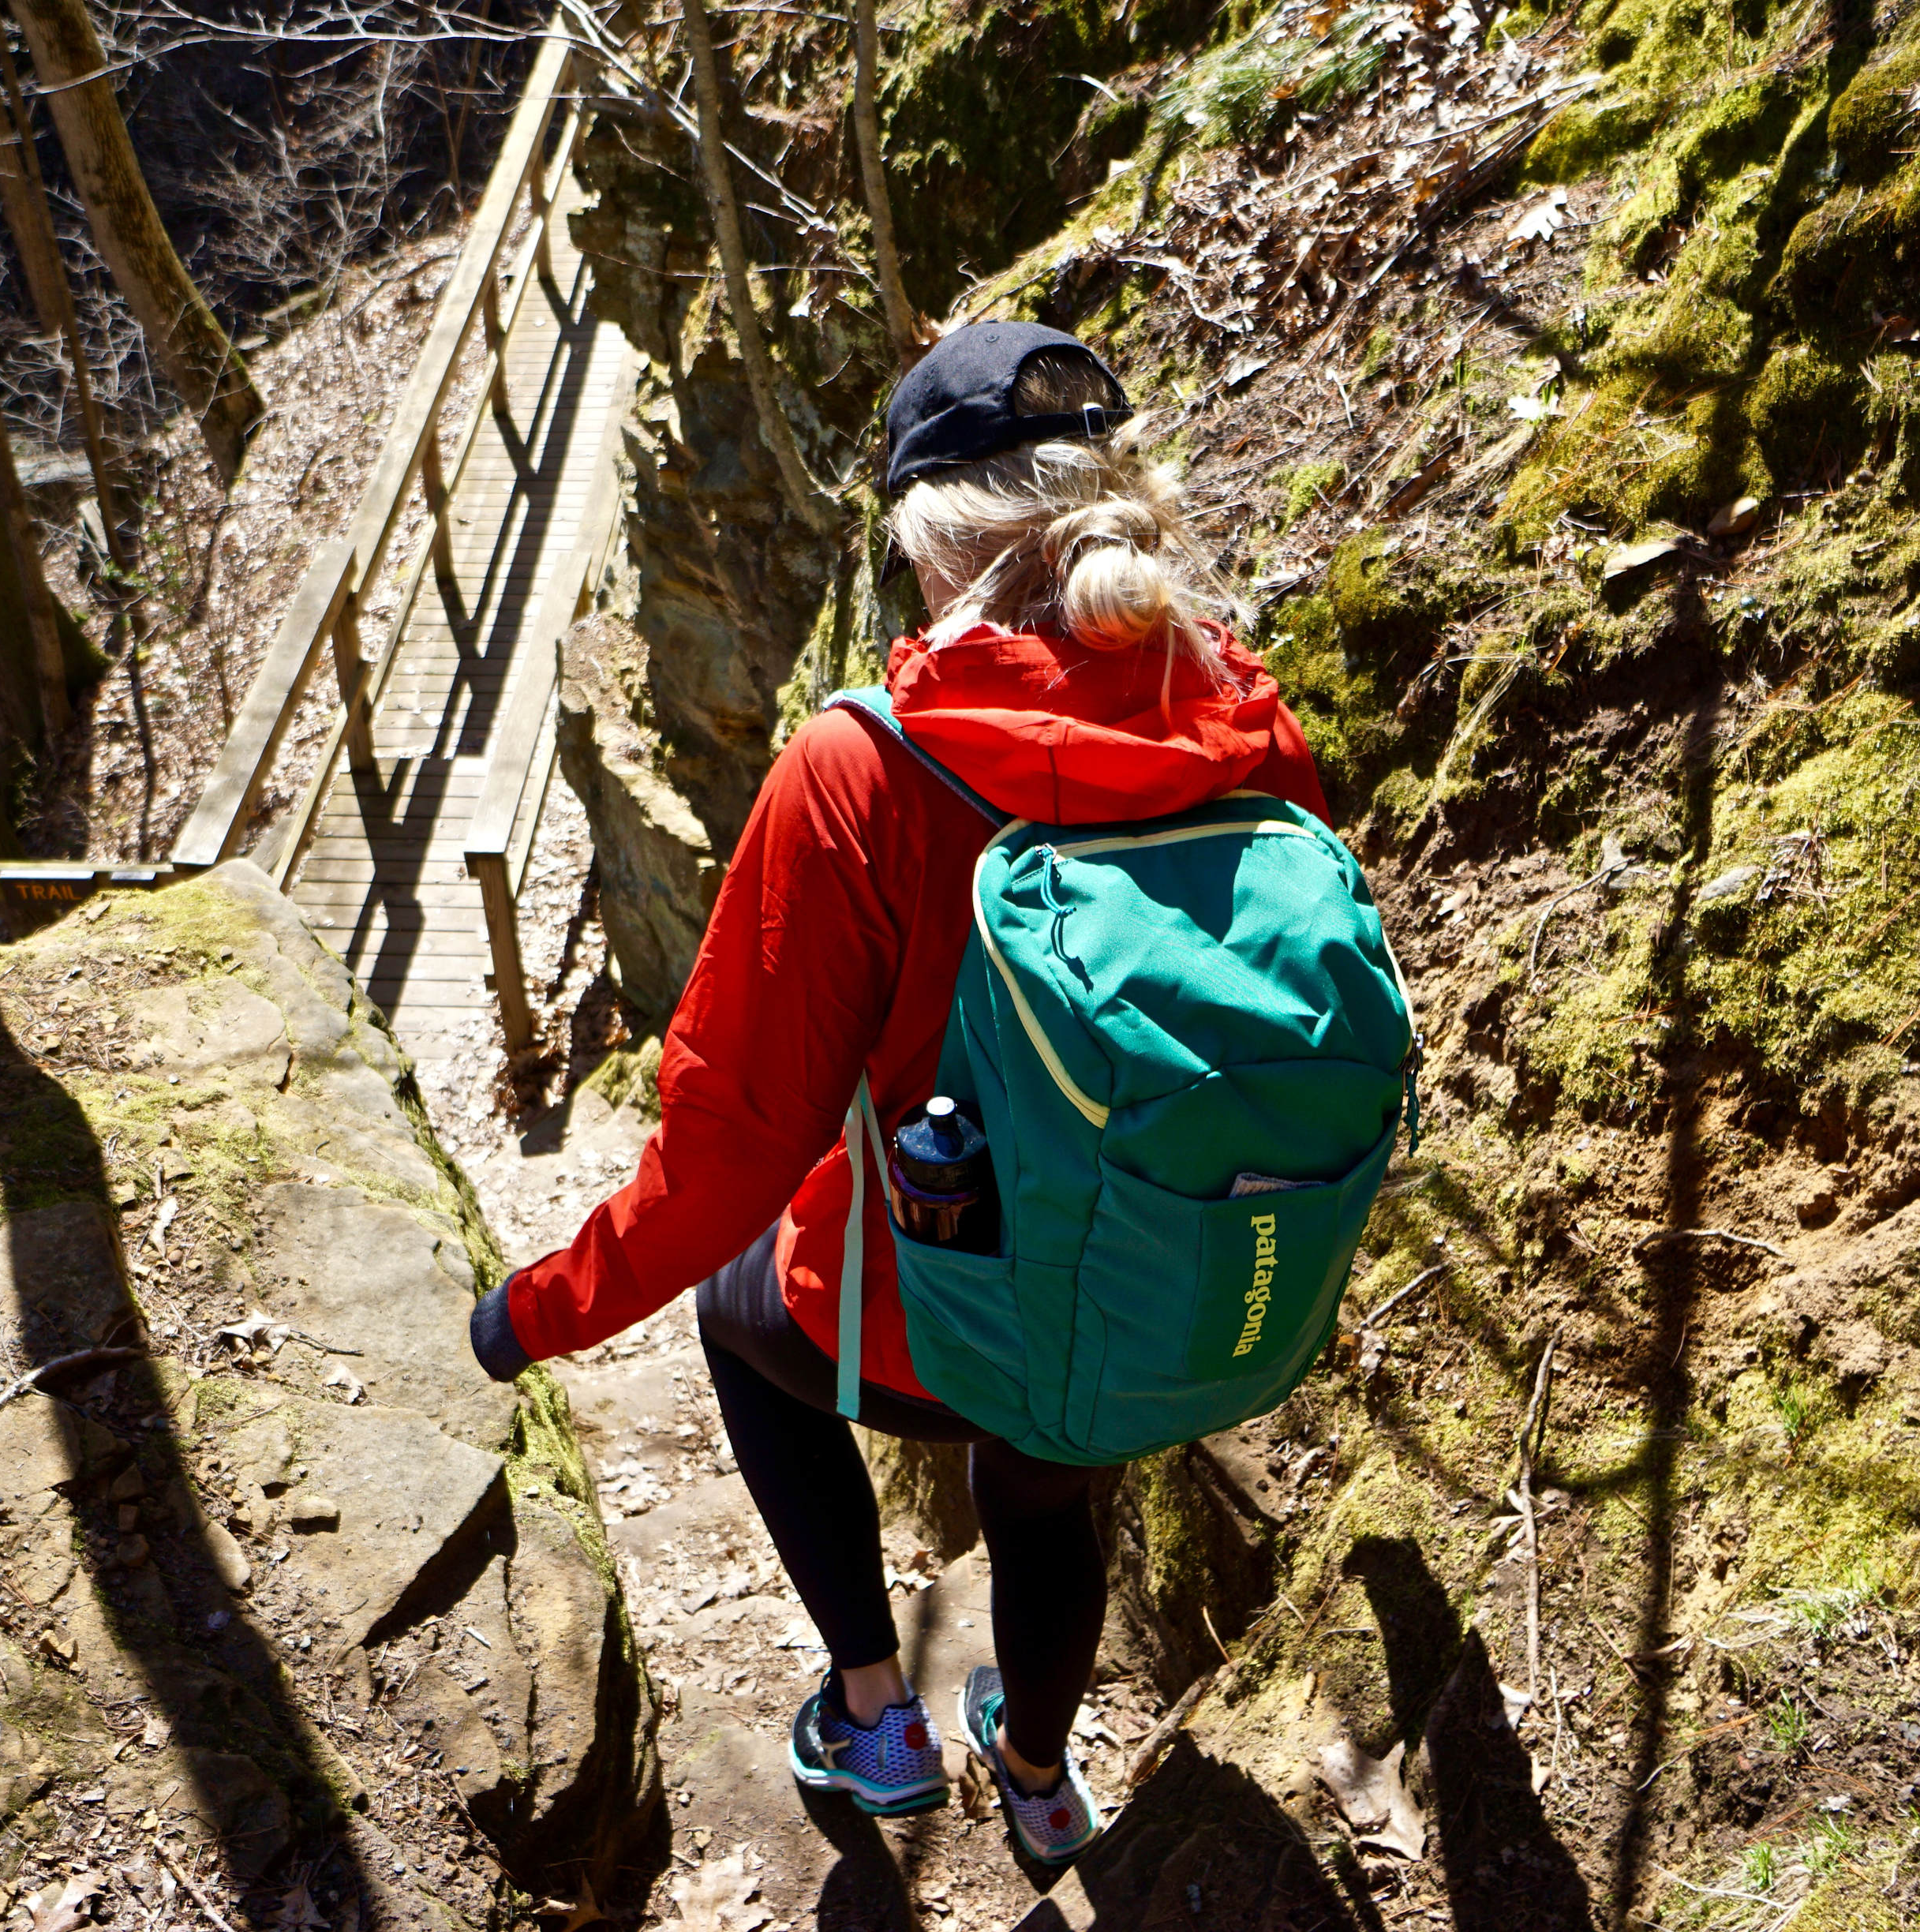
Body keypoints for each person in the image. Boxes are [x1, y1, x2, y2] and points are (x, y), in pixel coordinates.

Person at [466, 321, 1338, 1867]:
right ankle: (1041, 1761)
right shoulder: (1246, 722)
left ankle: (875, 1712)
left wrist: (538, 1309)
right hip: (1154, 1276)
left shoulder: (862, 770)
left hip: (919, 1308)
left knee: (738, 1313)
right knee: (1053, 1491)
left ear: (932, 544)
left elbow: (735, 1147)